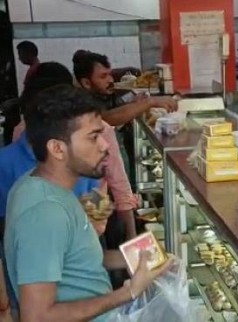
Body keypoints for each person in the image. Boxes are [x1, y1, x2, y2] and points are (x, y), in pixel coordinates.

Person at [4, 84, 172, 321]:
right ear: (57, 149)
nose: (105, 146)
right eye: (94, 137)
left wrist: (139, 258)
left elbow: (79, 260)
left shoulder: (48, 189)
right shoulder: (45, 212)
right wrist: (129, 292)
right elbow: (37, 317)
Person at [10, 62, 138, 242]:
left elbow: (110, 187)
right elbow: (116, 183)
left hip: (88, 227)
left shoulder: (22, 132)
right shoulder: (32, 194)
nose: (102, 145)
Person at [73, 52, 176, 126]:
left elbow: (114, 108)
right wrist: (149, 102)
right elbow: (107, 118)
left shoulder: (99, 93)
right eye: (103, 76)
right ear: (86, 83)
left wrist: (135, 104)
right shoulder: (81, 101)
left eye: (110, 74)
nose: (110, 80)